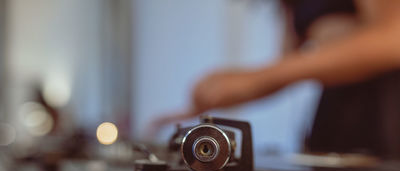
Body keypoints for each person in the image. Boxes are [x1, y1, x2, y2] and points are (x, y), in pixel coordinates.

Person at [155, 0, 400, 158]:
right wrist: (217, 93)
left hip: (386, 113)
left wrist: (255, 78)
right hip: (334, 114)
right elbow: (289, 64)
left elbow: (392, 38)